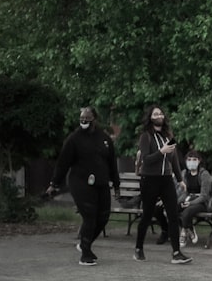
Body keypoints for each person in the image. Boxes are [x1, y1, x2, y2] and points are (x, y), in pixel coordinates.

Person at [46, 107, 119, 266]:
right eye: (82, 118)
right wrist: (54, 184)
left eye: (87, 118)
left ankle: (85, 243)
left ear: (95, 119)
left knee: (103, 216)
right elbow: (63, 163)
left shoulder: (104, 138)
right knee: (90, 215)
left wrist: (116, 184)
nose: (84, 121)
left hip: (101, 182)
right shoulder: (74, 139)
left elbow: (112, 163)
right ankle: (85, 253)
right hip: (80, 182)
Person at [135, 105, 191, 264]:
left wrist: (180, 180)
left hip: (166, 179)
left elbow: (173, 160)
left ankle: (176, 253)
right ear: (150, 118)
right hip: (150, 178)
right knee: (146, 215)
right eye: (155, 114)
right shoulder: (146, 136)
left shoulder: (169, 135)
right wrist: (162, 151)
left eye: (160, 113)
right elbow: (146, 159)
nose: (159, 116)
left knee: (173, 215)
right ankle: (139, 248)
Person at [173, 150, 211, 247]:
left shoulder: (204, 174)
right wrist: (178, 202)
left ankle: (184, 232)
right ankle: (189, 228)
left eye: (194, 159)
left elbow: (204, 196)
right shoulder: (185, 173)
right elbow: (185, 192)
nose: (191, 162)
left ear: (199, 161)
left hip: (200, 202)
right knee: (172, 210)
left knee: (187, 211)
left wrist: (191, 203)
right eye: (189, 159)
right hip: (188, 199)